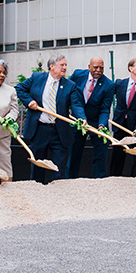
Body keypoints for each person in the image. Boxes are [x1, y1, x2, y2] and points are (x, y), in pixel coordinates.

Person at [15, 54, 86, 183]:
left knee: (58, 168)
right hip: (39, 129)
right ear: (51, 66)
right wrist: (29, 101)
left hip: (59, 132)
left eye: (65, 65)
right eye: (62, 65)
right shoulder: (37, 78)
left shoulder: (70, 85)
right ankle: (37, 192)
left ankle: (57, 195)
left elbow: (76, 105)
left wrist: (81, 118)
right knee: (38, 165)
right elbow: (19, 89)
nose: (65, 67)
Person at [67, 57, 114, 179]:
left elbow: (105, 109)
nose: (98, 70)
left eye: (101, 68)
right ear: (89, 67)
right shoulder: (78, 75)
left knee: (101, 151)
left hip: (96, 120)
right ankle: (70, 179)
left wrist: (101, 125)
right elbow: (67, 90)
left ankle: (99, 180)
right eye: (95, 67)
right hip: (77, 120)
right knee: (74, 152)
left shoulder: (108, 85)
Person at [110, 57, 136, 177]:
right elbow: (108, 98)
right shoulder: (119, 84)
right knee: (117, 156)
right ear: (131, 68)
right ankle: (115, 179)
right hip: (120, 125)